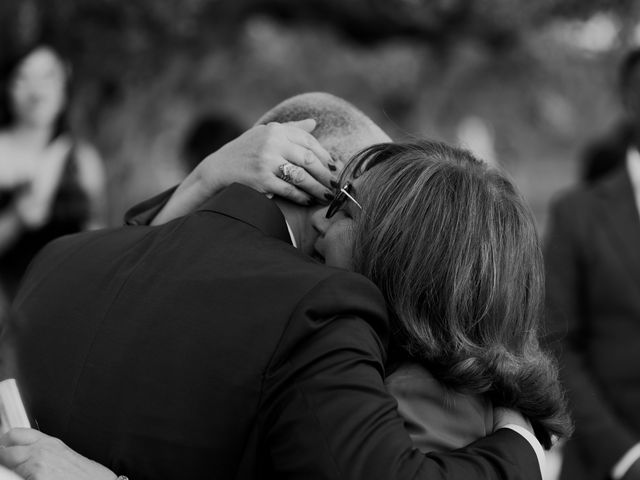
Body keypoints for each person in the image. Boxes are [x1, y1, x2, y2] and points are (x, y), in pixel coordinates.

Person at [1, 93, 547, 479]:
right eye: (366, 196)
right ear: (322, 180)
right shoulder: (323, 308)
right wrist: (522, 444)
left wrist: (205, 179)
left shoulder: (58, 261)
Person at [544, 48, 640, 480]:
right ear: (631, 97)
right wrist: (626, 455)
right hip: (606, 463)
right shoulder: (576, 215)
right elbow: (556, 342)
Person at [0, 43, 106, 298]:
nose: (37, 91)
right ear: (8, 86)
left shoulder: (83, 159)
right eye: (24, 77)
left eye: (48, 77)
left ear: (64, 87)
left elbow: (98, 240)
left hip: (62, 302)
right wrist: (16, 218)